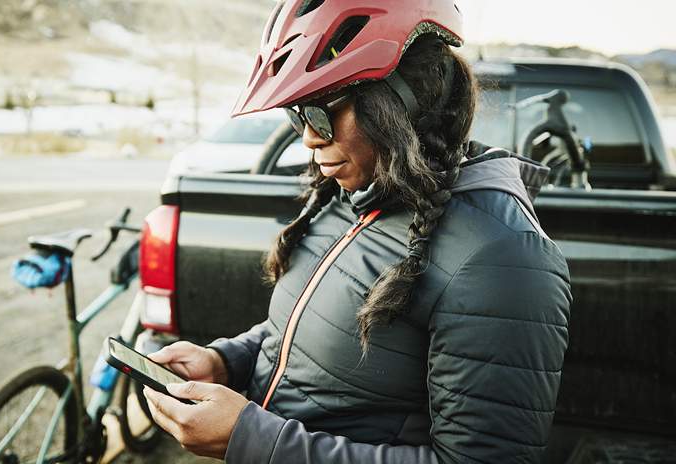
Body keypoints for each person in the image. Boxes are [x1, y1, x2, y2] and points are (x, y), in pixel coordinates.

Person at [142, 1, 572, 463]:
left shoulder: (501, 258)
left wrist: (252, 440)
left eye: (322, 112)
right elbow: (304, 333)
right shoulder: (353, 196)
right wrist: (226, 362)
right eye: (297, 114)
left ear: (403, 107)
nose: (308, 137)